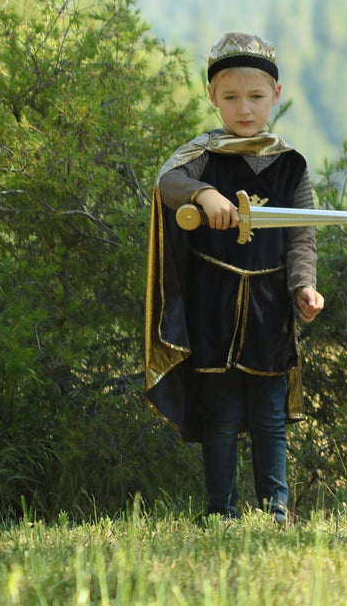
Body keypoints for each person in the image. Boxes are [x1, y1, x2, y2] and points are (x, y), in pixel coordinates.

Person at [144, 31, 324, 526]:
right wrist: (203, 195)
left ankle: (276, 511)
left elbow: (301, 237)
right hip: (213, 306)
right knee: (220, 417)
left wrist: (303, 287)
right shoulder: (202, 155)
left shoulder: (291, 165)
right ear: (212, 97)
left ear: (276, 97)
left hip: (269, 307)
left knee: (270, 417)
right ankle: (221, 513)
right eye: (231, 97)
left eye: (256, 97)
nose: (244, 109)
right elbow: (167, 183)